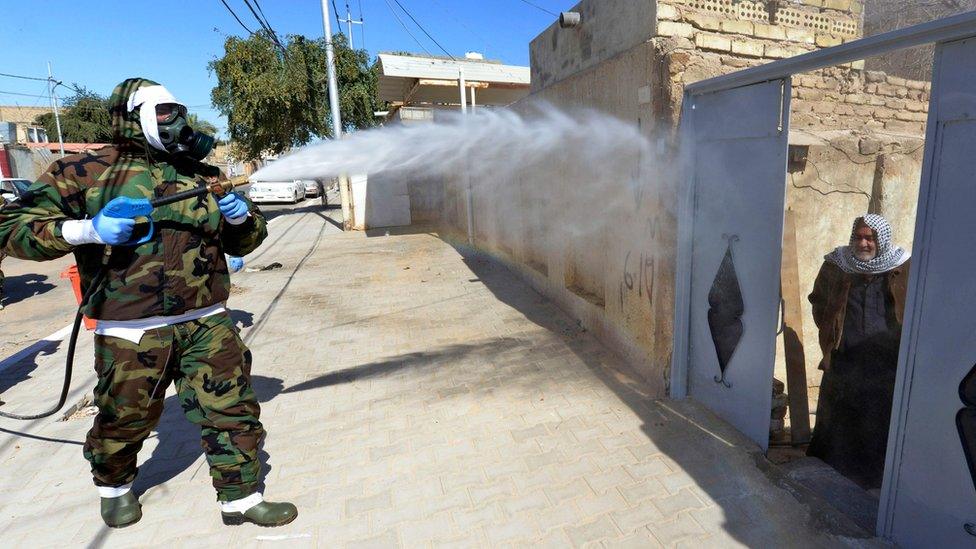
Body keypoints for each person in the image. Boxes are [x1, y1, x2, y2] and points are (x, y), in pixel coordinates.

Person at [0, 78, 295, 528]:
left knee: (231, 409)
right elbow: (11, 229)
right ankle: (114, 487)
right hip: (130, 329)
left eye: (176, 110)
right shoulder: (84, 171)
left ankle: (241, 497)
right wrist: (86, 230)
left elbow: (247, 239)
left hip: (207, 321)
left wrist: (243, 219)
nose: (175, 121)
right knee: (124, 419)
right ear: (130, 117)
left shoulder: (200, 173)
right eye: (162, 113)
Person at [807, 214, 911, 489]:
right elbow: (817, 300)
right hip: (844, 356)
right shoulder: (836, 265)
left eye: (870, 237)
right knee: (839, 416)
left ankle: (874, 478)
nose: (863, 243)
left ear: (882, 240)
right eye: (859, 237)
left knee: (878, 417)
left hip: (887, 360)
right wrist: (829, 329)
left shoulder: (904, 266)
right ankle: (831, 471)